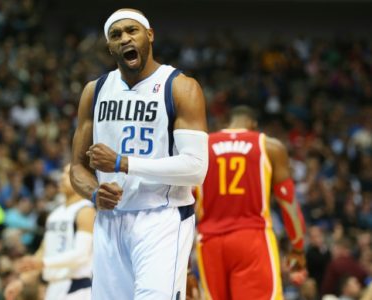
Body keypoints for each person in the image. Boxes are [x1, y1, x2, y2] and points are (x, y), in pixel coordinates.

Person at [70, 8, 208, 300]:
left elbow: (196, 168)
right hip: (110, 219)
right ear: (109, 46)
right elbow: (77, 168)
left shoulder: (180, 87)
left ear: (149, 35)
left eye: (132, 31)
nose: (124, 39)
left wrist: (123, 163)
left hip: (162, 217)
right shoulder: (95, 91)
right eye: (115, 35)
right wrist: (95, 194)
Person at [196, 106, 306, 300]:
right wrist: (297, 248)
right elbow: (288, 204)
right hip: (251, 238)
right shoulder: (269, 146)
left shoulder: (200, 146)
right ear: (254, 125)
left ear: (225, 124)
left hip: (209, 242)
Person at [4, 164, 95, 300]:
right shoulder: (55, 214)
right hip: (53, 287)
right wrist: (21, 282)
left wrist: (44, 263)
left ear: (83, 179)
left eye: (68, 174)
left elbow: (81, 255)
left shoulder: (86, 211)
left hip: (78, 287)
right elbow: (43, 252)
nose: (62, 177)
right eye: (63, 173)